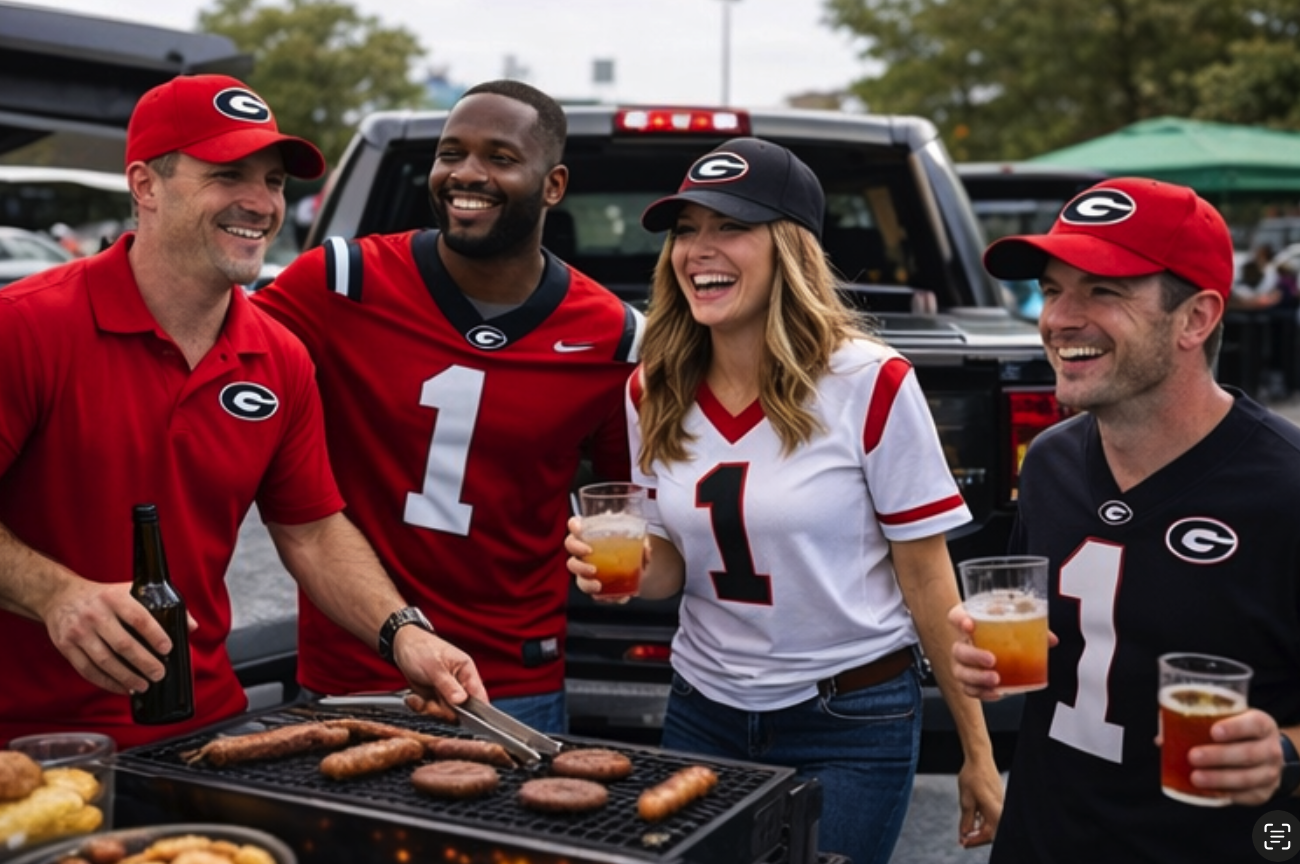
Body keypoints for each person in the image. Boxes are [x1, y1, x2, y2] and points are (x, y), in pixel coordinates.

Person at [0, 74, 486, 749]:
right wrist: (59, 595)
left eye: (275, 182)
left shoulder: (280, 355)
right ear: (145, 185)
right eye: (229, 175)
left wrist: (404, 632)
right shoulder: (25, 326)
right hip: (27, 747)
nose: (260, 204)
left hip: (207, 734)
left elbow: (311, 530)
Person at [564, 138, 1003, 864]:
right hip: (702, 709)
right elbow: (676, 561)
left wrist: (977, 751)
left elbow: (927, 579)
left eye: (730, 227)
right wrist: (635, 569)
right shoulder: (653, 384)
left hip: (851, 718)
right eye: (686, 230)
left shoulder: (871, 381)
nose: (699, 250)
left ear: (790, 248)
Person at [252, 80, 643, 733]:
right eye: (450, 152)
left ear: (553, 185)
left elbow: (629, 497)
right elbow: (216, 369)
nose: (467, 173)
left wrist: (626, 563)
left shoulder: (614, 335)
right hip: (355, 668)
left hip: (509, 682)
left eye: (499, 157)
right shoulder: (339, 281)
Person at [950, 177, 1300, 862]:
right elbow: (1063, 642)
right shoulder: (1049, 460)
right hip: (1041, 840)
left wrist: (1282, 751)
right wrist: (980, 657)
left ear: (1195, 319)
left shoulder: (1285, 487)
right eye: (1053, 290)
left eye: (1102, 290)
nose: (1059, 318)